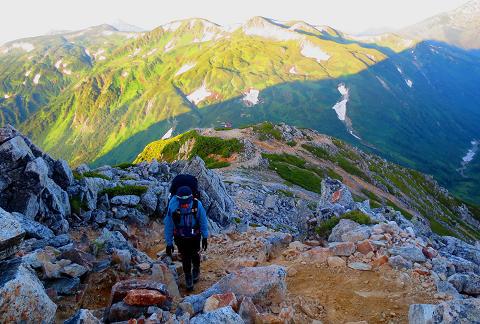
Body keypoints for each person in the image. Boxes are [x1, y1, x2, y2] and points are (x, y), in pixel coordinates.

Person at [164, 185, 208, 291]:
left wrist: (205, 237)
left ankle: (196, 269)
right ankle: (188, 275)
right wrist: (169, 243)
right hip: (180, 237)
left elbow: (203, 221)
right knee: (185, 256)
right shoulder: (173, 206)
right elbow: (169, 224)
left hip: (194, 236)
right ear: (178, 199)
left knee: (194, 253)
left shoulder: (197, 205)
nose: (185, 205)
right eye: (183, 202)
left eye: (187, 202)